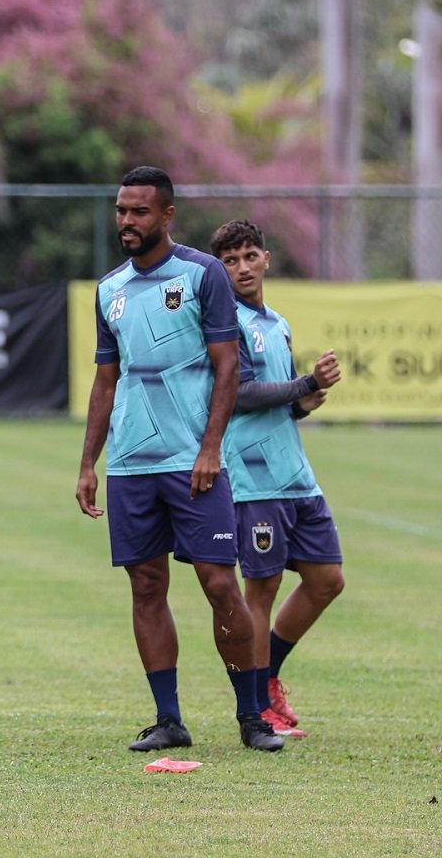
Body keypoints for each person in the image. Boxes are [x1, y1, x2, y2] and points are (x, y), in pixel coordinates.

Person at [75, 166, 283, 752]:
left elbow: (228, 366)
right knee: (146, 586)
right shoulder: (109, 289)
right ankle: (169, 720)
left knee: (219, 584)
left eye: (139, 212)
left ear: (166, 215)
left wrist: (211, 448)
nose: (126, 221)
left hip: (193, 462)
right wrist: (89, 463)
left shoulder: (202, 273)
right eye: (121, 211)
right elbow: (105, 381)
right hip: (131, 465)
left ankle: (252, 717)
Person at [209, 219, 344, 736]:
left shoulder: (277, 322)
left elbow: (281, 402)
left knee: (327, 580)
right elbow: (240, 394)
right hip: (254, 476)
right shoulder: (224, 322)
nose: (242, 268)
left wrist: (304, 402)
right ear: (219, 270)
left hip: (296, 474)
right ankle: (258, 707)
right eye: (230, 261)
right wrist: (304, 383)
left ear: (266, 259)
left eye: (250, 256)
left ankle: (267, 679)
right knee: (261, 590)